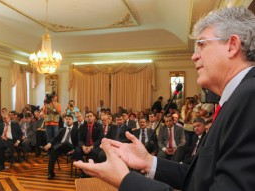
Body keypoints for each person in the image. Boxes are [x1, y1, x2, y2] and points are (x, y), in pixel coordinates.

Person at [74, 6, 255, 190]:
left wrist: (125, 180)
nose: (194, 56)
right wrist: (148, 162)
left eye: (201, 44)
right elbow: (199, 180)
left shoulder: (249, 97)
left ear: (232, 45)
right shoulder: (237, 98)